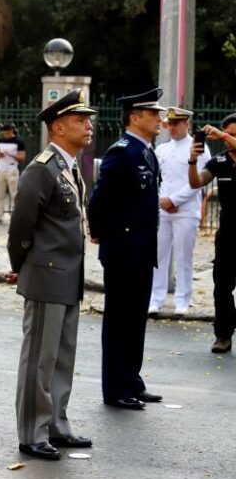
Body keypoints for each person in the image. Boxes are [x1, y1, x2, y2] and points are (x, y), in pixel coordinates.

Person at [7, 89, 95, 460]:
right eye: (80, 121)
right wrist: (20, 266)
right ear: (58, 127)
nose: (88, 126)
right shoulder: (41, 169)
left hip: (69, 276)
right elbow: (21, 224)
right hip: (46, 275)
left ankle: (57, 424)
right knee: (39, 360)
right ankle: (32, 432)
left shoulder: (69, 166)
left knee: (62, 357)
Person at [87, 88, 165, 410]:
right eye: (153, 113)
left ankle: (132, 379)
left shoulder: (145, 150)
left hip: (142, 248)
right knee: (119, 320)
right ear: (135, 116)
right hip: (123, 248)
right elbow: (99, 199)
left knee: (135, 318)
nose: (160, 119)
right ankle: (115, 388)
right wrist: (99, 232)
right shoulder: (122, 152)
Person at [149, 107, 211, 315]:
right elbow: (155, 179)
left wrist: (174, 199)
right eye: (170, 123)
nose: (172, 128)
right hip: (163, 209)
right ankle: (156, 299)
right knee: (158, 256)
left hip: (186, 209)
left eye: (176, 123)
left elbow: (198, 181)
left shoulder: (198, 148)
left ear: (187, 124)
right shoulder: (162, 149)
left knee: (184, 258)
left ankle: (182, 301)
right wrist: (161, 200)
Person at [187, 114, 236, 353]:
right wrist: (192, 161)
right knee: (222, 287)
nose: (229, 139)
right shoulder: (219, 161)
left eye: (234, 135)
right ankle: (223, 335)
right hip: (228, 233)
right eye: (228, 134)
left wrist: (222, 134)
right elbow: (196, 183)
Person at [0, 123, 26, 223]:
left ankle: (18, 216)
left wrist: (11, 154)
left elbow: (22, 157)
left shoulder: (19, 142)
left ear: (11, 131)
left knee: (15, 194)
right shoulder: (0, 141)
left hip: (12, 169)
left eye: (7, 133)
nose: (5, 135)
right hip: (1, 169)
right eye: (4, 133)